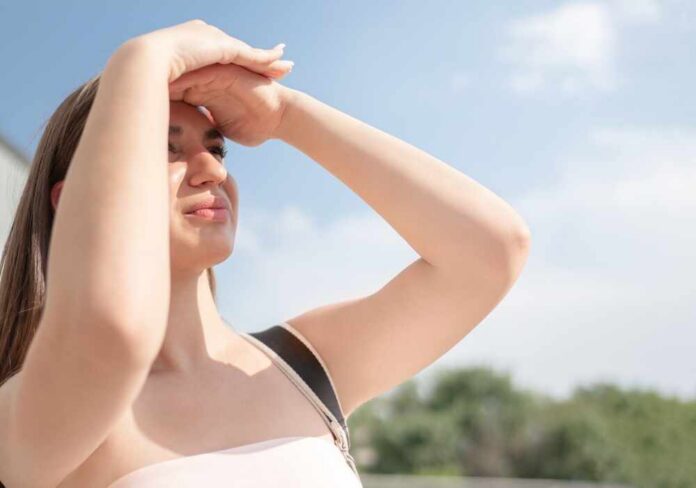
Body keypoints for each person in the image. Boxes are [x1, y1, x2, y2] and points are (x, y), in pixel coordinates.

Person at [0, 19, 531, 487]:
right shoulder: (26, 414)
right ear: (72, 200)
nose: (212, 170)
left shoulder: (303, 364)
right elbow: (111, 337)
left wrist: (285, 115)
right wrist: (141, 59)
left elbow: (491, 252)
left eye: (216, 148)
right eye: (165, 148)